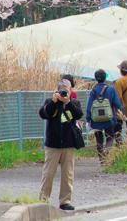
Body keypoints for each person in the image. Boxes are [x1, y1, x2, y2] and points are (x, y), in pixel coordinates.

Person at [38, 79, 84, 211]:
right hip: (53, 144)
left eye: (67, 91)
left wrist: (68, 103)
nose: (64, 94)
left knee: (68, 174)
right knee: (48, 173)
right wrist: (54, 101)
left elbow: (78, 114)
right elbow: (43, 114)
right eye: (62, 91)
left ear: (70, 91)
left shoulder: (74, 103)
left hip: (69, 144)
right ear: (57, 91)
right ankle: (43, 200)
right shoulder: (50, 102)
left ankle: (65, 201)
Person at [86, 69, 124, 162]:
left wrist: (88, 119)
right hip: (109, 118)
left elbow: (89, 106)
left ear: (96, 78)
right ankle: (107, 151)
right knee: (110, 137)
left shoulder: (93, 91)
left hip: (96, 119)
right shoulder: (111, 89)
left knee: (99, 140)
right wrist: (122, 111)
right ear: (105, 78)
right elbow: (117, 103)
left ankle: (102, 160)